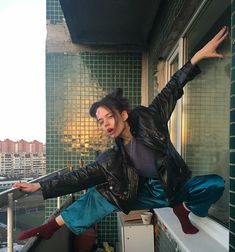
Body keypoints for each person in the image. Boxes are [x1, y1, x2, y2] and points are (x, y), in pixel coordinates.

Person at [13, 26, 228, 240]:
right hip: (147, 193)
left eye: (109, 116)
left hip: (174, 183)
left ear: (123, 114)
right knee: (98, 195)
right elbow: (78, 177)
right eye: (100, 121)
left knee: (215, 184)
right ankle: (52, 227)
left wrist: (197, 57)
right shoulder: (111, 157)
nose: (105, 123)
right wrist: (38, 186)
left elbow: (172, 88)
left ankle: (183, 208)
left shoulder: (149, 117)